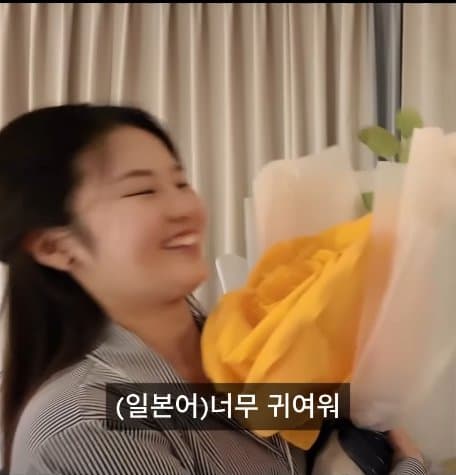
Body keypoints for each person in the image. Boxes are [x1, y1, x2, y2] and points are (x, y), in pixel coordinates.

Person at [0, 105, 427, 474]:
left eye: (180, 183)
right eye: (142, 190)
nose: (184, 208)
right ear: (56, 247)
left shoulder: (244, 349)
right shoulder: (87, 424)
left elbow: (334, 420)